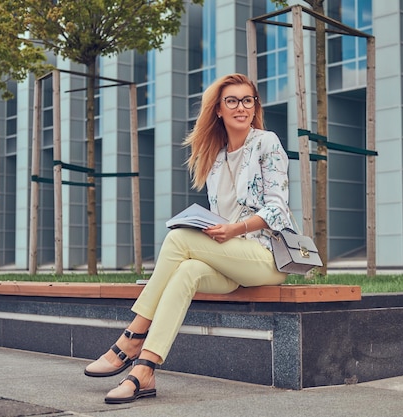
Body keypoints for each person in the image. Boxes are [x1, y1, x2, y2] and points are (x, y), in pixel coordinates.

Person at [84, 73, 293, 404]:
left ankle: (132, 335)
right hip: (229, 259)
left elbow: (278, 211)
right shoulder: (216, 156)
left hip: (265, 259)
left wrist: (233, 230)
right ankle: (145, 370)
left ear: (255, 107)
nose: (241, 107)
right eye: (232, 101)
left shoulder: (266, 143)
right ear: (218, 111)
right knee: (186, 272)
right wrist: (215, 229)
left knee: (180, 239)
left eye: (248, 100)